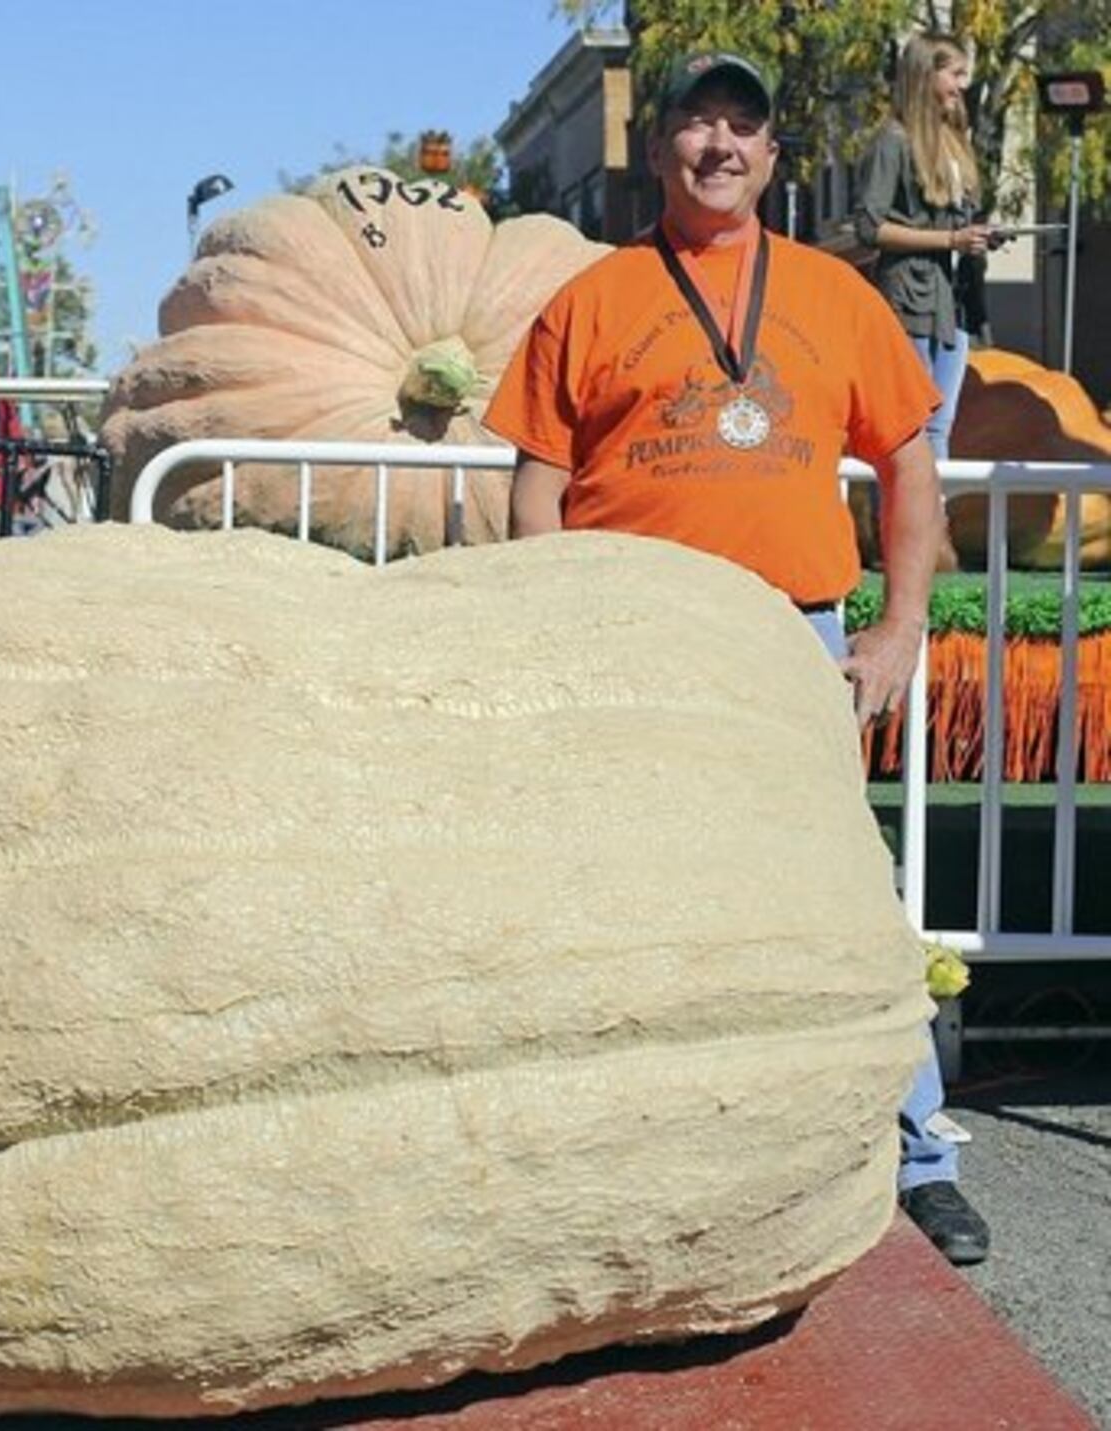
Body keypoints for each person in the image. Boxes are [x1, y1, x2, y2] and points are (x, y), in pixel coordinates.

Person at [483, 51, 989, 1266]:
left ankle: (919, 1155)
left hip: (785, 633)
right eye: (696, 125)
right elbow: (536, 486)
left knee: (840, 893)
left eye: (741, 129)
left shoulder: (832, 295)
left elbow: (908, 463)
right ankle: (616, 1161)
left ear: (770, 159)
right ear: (659, 153)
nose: (718, 145)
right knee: (616, 892)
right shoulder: (589, 299)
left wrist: (895, 627)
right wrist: (556, 629)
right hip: (628, 635)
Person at [855, 33, 998, 471]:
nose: (961, 84)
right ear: (926, 74)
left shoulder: (954, 139)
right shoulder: (892, 141)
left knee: (941, 425)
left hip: (954, 301)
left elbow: (956, 221)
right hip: (911, 298)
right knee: (913, 425)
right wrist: (949, 241)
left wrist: (980, 235)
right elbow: (868, 226)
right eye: (954, 73)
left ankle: (935, 528)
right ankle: (913, 529)